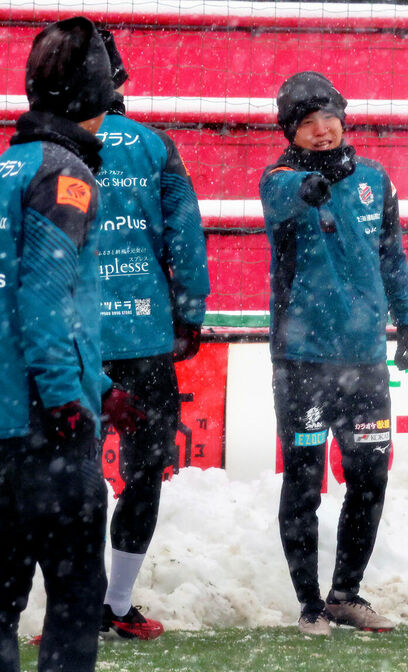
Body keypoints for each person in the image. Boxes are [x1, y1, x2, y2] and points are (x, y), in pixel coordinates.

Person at [259, 71, 408, 636]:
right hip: (302, 362)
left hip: (366, 362)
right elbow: (283, 197)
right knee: (304, 482)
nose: (322, 131)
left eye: (329, 118)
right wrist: (309, 185)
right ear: (290, 132)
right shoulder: (278, 179)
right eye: (307, 123)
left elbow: (392, 255)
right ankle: (308, 605)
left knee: (370, 476)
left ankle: (346, 593)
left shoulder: (376, 178)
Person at [0, 16, 118, 672]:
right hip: (46, 427)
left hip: (4, 417)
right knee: (75, 593)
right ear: (92, 98)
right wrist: (71, 398)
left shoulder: (7, 164)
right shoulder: (65, 173)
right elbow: (45, 298)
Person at [95, 29, 210, 640]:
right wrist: (189, 314)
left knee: (73, 477)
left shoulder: (28, 150)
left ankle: (75, 603)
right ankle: (116, 604)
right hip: (144, 337)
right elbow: (185, 235)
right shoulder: (154, 146)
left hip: (68, 341)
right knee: (142, 473)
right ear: (119, 82)